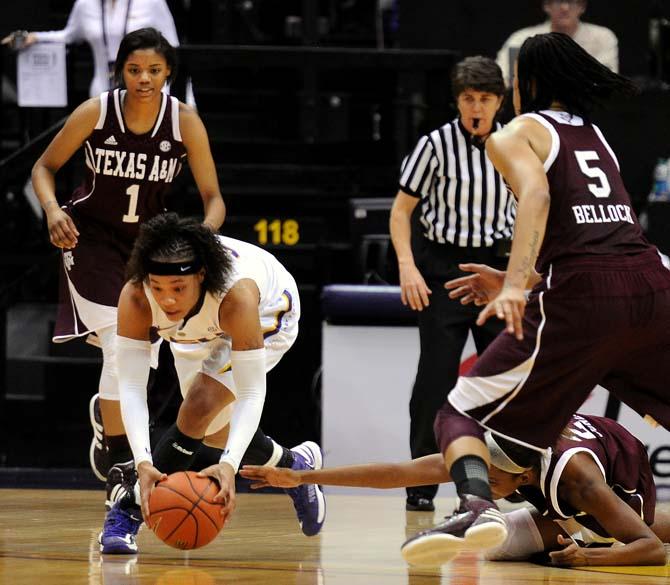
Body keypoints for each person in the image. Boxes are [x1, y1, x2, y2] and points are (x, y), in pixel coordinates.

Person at [398, 31, 670, 563]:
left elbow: (540, 197)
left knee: (457, 412)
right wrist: (513, 278)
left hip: (586, 297)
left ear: (524, 83)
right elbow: (601, 235)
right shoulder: (595, 134)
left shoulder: (515, 132)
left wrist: (518, 285)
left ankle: (475, 505)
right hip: (651, 284)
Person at [31, 28, 226, 510]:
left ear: (169, 75)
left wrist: (202, 239)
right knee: (124, 343)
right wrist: (54, 210)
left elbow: (214, 199)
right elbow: (42, 167)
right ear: (121, 69)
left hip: (146, 248)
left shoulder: (185, 123)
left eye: (155, 71)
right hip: (88, 238)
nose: (144, 79)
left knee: (139, 352)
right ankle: (122, 466)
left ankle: (109, 417)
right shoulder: (97, 112)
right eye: (135, 69)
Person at [99, 212, 326, 554]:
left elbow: (251, 392)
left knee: (199, 408)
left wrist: (229, 467)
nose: (168, 299)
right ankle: (295, 465)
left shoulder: (238, 297)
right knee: (214, 432)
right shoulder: (136, 297)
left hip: (267, 312)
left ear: (201, 276)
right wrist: (143, 461)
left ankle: (127, 514)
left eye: (178, 288)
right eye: (159, 288)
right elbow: (131, 387)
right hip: (196, 328)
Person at [241, 413, 670, 566]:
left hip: (617, 468)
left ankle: (582, 533)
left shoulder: (579, 480)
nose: (477, 484)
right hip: (557, 477)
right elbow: (399, 473)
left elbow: (650, 549)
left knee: (616, 533)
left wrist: (590, 559)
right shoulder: (487, 450)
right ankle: (568, 532)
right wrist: (302, 478)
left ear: (522, 476)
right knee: (499, 548)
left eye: (490, 480)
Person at [389, 56, 515, 512]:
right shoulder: (435, 145)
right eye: (468, 99)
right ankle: (421, 487)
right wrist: (408, 267)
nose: (476, 108)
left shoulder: (517, 143)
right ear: (457, 101)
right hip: (444, 273)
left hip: (498, 271)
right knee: (435, 381)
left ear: (500, 101)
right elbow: (401, 211)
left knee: (506, 381)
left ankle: (511, 482)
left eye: (484, 99)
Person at [3, 0, 180, 99]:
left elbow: (173, 48)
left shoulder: (152, 3)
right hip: (102, 88)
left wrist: (178, 97)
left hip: (147, 88)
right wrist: (34, 37)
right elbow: (68, 36)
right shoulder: (85, 5)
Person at [496, 0, 618, 84]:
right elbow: (501, 78)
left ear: (582, 6)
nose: (565, 7)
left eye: (571, 1)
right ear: (547, 5)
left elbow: (608, 81)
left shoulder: (602, 37)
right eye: (558, 1)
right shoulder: (521, 38)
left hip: (588, 111)